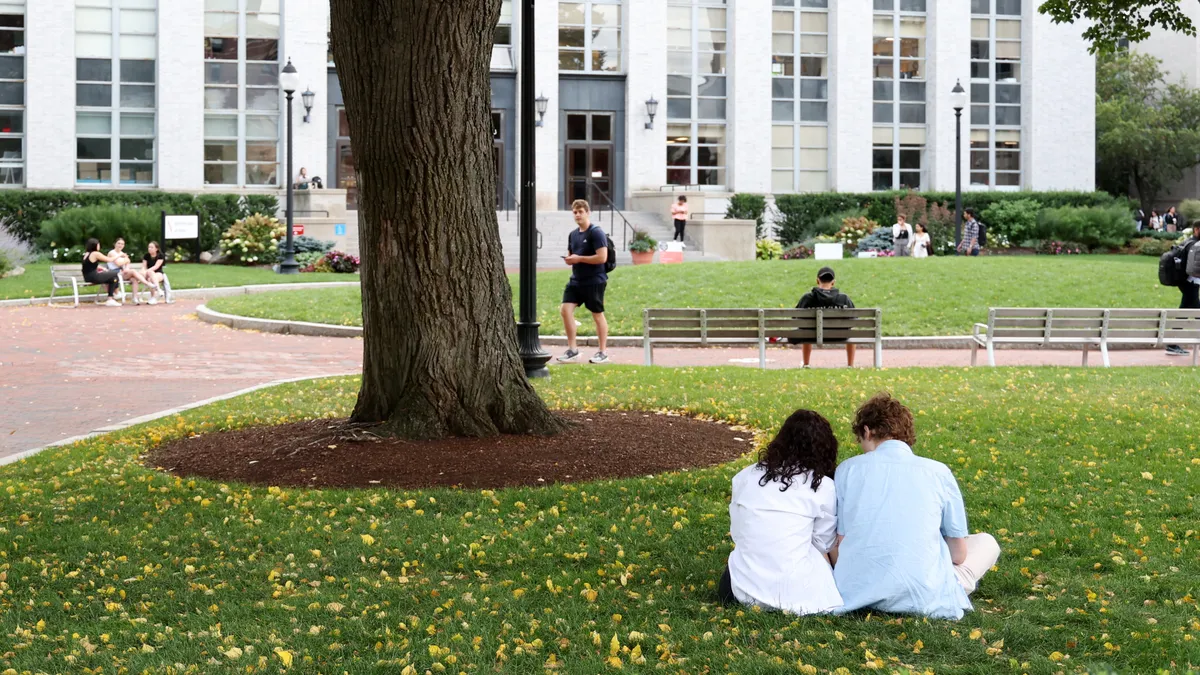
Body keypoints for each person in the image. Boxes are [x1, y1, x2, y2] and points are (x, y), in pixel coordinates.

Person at [832, 393, 1000, 620]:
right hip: (922, 593)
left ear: (867, 431)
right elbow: (959, 555)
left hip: (855, 589)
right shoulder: (938, 472)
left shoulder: (847, 469)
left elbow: (842, 543)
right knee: (986, 542)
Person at [718, 409, 843, 615]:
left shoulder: (745, 476)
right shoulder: (823, 486)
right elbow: (824, 543)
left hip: (739, 589)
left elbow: (738, 532)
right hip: (796, 593)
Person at [556, 199, 610, 365]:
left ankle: (602, 352)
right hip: (576, 280)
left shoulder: (596, 233)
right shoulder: (573, 234)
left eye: (580, 211)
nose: (578, 215)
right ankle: (573, 350)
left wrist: (579, 259)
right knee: (565, 310)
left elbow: (602, 257)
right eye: (575, 212)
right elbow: (572, 253)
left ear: (588, 213)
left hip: (594, 280)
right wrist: (570, 259)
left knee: (597, 314)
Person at [793, 266, 856, 368]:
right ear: (833, 282)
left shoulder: (807, 298)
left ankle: (806, 364)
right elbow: (854, 320)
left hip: (811, 335)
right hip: (840, 335)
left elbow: (795, 318)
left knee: (805, 329)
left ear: (817, 280)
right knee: (851, 332)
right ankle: (850, 365)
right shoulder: (844, 299)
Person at [1166, 226, 1200, 356]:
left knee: (1184, 311)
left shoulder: (1187, 242)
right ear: (1196, 229)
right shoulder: (1195, 245)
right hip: (1191, 282)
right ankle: (1171, 344)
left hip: (1185, 282)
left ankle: (1172, 343)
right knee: (1193, 310)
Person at [106, 237, 152, 304]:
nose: (120, 245)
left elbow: (128, 263)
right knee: (133, 271)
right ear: (115, 244)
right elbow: (118, 263)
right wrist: (126, 260)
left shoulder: (122, 253)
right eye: (118, 243)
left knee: (134, 279)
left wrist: (127, 268)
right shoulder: (112, 253)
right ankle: (147, 283)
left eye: (122, 244)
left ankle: (135, 298)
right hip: (114, 273)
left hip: (122, 272)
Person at [81, 238, 123, 307]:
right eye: (98, 244)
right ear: (95, 246)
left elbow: (90, 265)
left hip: (87, 277)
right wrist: (119, 255)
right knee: (115, 273)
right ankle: (116, 294)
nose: (99, 246)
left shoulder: (87, 254)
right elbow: (109, 259)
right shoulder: (95, 254)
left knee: (113, 279)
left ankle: (111, 298)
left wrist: (103, 268)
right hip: (94, 276)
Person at [141, 241, 166, 305]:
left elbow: (156, 266)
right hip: (149, 274)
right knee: (150, 276)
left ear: (156, 249)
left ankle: (153, 297)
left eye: (152, 247)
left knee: (150, 277)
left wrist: (148, 271)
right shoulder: (146, 256)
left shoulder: (160, 255)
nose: (149, 249)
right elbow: (144, 266)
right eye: (149, 247)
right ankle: (159, 290)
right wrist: (144, 271)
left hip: (158, 273)